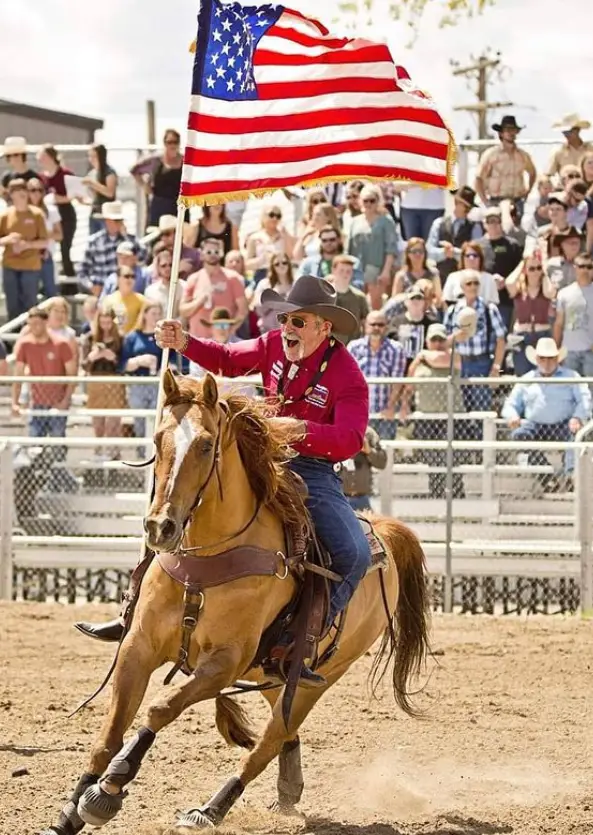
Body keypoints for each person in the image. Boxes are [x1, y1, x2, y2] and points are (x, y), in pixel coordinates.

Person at [76, 276, 371, 689]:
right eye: (285, 318)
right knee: (172, 496)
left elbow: (350, 438)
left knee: (354, 553)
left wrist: (299, 429)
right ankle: (134, 609)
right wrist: (184, 342)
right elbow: (229, 359)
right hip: (261, 455)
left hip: (312, 469)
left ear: (324, 327)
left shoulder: (347, 374)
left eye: (299, 321)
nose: (287, 327)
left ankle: (302, 640)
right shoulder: (271, 345)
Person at [501, 338, 591, 490]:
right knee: (519, 435)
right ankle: (547, 477)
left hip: (565, 423)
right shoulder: (527, 379)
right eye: (543, 358)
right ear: (536, 359)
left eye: (550, 358)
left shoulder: (572, 376)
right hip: (535, 425)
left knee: (575, 435)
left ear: (557, 359)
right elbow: (510, 404)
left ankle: (571, 476)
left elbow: (585, 399)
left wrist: (577, 417)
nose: (547, 362)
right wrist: (512, 415)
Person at [12, 307, 78, 490]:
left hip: (57, 403)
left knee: (57, 445)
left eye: (38, 323)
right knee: (34, 448)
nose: (34, 327)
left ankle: (58, 483)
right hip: (37, 404)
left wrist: (65, 400)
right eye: (31, 323)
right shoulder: (25, 344)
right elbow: (17, 376)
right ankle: (36, 486)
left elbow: (72, 375)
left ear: (46, 322)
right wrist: (14, 402)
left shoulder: (61, 344)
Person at [401, 322, 466, 499]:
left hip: (451, 417)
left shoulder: (453, 356)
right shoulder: (419, 362)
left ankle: (456, 494)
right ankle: (436, 493)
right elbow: (409, 385)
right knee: (432, 458)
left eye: (441, 339)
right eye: (433, 339)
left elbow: (439, 359)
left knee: (452, 458)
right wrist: (405, 405)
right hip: (427, 417)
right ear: (427, 341)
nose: (437, 343)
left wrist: (422, 354)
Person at [443, 270, 506, 412]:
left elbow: (501, 339)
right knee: (461, 409)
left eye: (476, 283)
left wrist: (496, 367)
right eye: (469, 283)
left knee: (481, 409)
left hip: (482, 363)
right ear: (462, 287)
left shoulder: (488, 309)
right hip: (459, 364)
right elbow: (444, 342)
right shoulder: (453, 310)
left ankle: (481, 434)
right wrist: (455, 337)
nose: (473, 286)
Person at [348, 310, 406, 440]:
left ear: (386, 327)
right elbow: (348, 381)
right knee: (357, 454)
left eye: (380, 325)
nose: (376, 328)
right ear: (365, 325)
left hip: (384, 414)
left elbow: (397, 382)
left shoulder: (396, 349)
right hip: (359, 414)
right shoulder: (354, 348)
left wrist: (390, 407)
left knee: (383, 453)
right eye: (372, 324)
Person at [80, 305, 126, 459]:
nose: (105, 326)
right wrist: (93, 356)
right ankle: (98, 452)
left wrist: (112, 357)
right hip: (96, 380)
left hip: (114, 380)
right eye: (102, 323)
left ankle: (114, 454)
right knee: (98, 423)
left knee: (114, 423)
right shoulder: (89, 338)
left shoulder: (120, 338)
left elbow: (124, 364)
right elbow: (84, 364)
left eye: (108, 323)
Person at [181, 237, 248, 341]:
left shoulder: (232, 278)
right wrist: (199, 301)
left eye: (216, 251)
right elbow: (183, 311)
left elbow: (243, 310)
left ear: (221, 254)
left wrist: (231, 330)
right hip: (199, 340)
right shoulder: (193, 279)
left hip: (223, 341)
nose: (213, 254)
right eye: (208, 251)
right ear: (202, 254)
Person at [0, 179, 48, 320]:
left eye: (23, 189)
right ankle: (13, 339)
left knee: (30, 305)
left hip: (30, 266)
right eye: (16, 190)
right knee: (13, 305)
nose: (21, 193)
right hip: (10, 265)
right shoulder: (5, 216)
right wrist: (8, 239)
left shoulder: (37, 214)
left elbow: (45, 242)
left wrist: (27, 245)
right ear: (11, 194)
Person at [347, 183, 400, 310]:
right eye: (365, 200)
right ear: (360, 201)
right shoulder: (354, 221)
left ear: (378, 202)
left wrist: (386, 271)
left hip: (377, 268)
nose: (369, 204)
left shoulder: (386, 221)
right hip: (357, 269)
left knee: (375, 304)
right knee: (356, 305)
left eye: (372, 200)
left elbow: (391, 248)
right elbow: (348, 248)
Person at [474, 115, 536, 220]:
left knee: (516, 233)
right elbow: (478, 179)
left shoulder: (523, 155)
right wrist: (486, 202)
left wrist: (527, 191)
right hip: (496, 201)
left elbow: (533, 173)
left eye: (513, 130)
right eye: (508, 130)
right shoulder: (491, 155)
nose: (511, 133)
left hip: (517, 201)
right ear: (501, 133)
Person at [120, 301, 164, 449]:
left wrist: (162, 369)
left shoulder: (164, 338)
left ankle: (155, 455)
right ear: (144, 315)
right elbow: (123, 364)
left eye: (159, 314)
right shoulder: (133, 337)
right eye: (153, 313)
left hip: (158, 384)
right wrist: (138, 361)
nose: (156, 317)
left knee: (157, 422)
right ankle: (141, 455)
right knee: (139, 422)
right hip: (137, 384)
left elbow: (173, 361)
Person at [78, 202, 146, 293]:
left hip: (127, 290)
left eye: (119, 220)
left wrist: (125, 236)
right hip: (101, 290)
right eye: (116, 220)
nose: (118, 223)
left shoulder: (130, 239)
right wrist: (91, 286)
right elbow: (82, 270)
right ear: (107, 221)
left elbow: (143, 257)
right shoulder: (94, 241)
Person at [506, 254, 555, 376]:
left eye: (538, 268)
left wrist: (544, 272)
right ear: (525, 270)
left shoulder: (545, 287)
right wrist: (523, 263)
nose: (535, 272)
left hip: (542, 335)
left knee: (544, 374)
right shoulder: (519, 289)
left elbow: (550, 293)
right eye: (531, 268)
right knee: (522, 374)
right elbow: (509, 282)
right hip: (522, 337)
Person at [478, 206, 523, 332]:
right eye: (490, 221)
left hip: (505, 300)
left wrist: (506, 281)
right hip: (483, 299)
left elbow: (520, 269)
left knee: (501, 335)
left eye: (496, 221)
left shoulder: (512, 245)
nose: (493, 224)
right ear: (484, 224)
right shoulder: (477, 245)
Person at [37, 144, 77, 278]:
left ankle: (70, 282)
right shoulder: (41, 177)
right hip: (49, 216)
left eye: (42, 156)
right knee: (47, 247)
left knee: (65, 249)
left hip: (66, 215)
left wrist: (56, 198)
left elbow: (73, 195)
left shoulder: (66, 174)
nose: (40, 160)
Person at [130, 128, 184, 226]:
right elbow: (134, 170)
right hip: (159, 205)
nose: (172, 145)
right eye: (169, 142)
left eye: (175, 142)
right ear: (164, 143)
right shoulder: (155, 161)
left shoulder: (185, 161)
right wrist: (144, 186)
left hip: (178, 205)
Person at [553, 253, 593, 382]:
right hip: (569, 351)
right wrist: (556, 349)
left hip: (590, 352)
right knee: (570, 390)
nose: (586, 270)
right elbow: (559, 323)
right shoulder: (564, 293)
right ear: (575, 268)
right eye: (582, 266)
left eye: (589, 267)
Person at [26, 177, 62, 300]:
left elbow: (60, 235)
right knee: (29, 295)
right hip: (28, 257)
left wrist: (44, 234)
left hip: (46, 256)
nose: (36, 193)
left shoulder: (51, 210)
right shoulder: (22, 213)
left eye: (39, 190)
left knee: (51, 293)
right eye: (32, 190)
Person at [384, 286, 435, 370]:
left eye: (419, 298)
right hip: (399, 368)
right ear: (406, 302)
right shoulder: (396, 322)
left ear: (424, 302)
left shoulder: (432, 323)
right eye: (412, 298)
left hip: (423, 370)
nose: (416, 301)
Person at [298, 224, 363, 289]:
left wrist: (340, 282)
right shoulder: (309, 263)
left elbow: (359, 285)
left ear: (339, 240)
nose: (328, 243)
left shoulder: (353, 262)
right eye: (324, 240)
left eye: (332, 239)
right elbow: (298, 284)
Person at [340, 425, 387, 511]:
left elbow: (382, 463)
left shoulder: (369, 434)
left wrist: (369, 451)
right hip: (339, 497)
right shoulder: (334, 430)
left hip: (362, 498)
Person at [245, 205, 295, 284]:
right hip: (262, 273)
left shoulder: (284, 235)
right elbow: (247, 264)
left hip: (282, 273)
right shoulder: (255, 237)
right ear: (263, 217)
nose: (275, 218)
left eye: (278, 216)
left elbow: (291, 257)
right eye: (271, 215)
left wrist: (285, 237)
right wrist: (261, 259)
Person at [326, 255, 368, 344]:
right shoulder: (325, 295)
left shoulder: (359, 297)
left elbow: (365, 323)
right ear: (333, 270)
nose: (345, 274)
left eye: (348, 271)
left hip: (351, 346)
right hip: (327, 345)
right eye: (341, 270)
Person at [442, 241, 500, 306]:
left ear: (480, 258)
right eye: (468, 255)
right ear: (462, 258)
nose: (471, 258)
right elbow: (446, 302)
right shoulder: (453, 277)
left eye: (475, 255)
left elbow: (494, 304)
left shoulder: (489, 279)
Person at [252, 252, 295, 334]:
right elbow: (258, 309)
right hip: (268, 330)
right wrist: (273, 296)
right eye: (277, 264)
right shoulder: (264, 284)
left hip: (291, 331)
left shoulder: (296, 284)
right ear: (272, 266)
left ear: (289, 264)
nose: (281, 265)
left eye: (284, 263)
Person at [392, 237, 442, 305]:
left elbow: (439, 300)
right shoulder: (401, 276)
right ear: (408, 254)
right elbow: (395, 300)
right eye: (414, 251)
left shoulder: (433, 273)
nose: (418, 254)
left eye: (420, 251)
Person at [83, 144, 118, 235]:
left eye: (94, 156)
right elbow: (95, 196)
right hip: (95, 212)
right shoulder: (92, 173)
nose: (91, 159)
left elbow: (110, 192)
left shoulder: (109, 172)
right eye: (90, 156)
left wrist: (93, 183)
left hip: (107, 213)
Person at [105, 265, 146, 334]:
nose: (130, 279)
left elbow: (142, 323)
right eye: (126, 276)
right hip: (115, 339)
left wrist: (129, 337)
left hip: (134, 340)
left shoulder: (142, 300)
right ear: (118, 278)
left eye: (133, 277)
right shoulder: (109, 300)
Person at [545, 227, 584, 291]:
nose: (573, 245)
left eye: (576, 242)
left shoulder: (587, 266)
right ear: (562, 244)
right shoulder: (551, 265)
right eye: (569, 242)